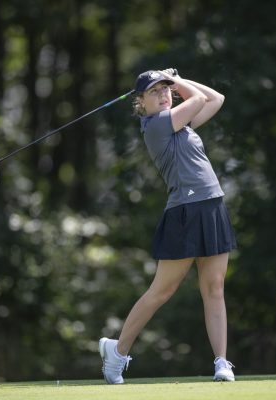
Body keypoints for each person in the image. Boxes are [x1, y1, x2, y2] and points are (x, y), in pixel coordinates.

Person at [99, 68, 237, 384]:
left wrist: (177, 77)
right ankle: (117, 353)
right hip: (184, 213)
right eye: (155, 91)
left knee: (214, 288)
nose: (164, 94)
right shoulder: (156, 125)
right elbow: (200, 98)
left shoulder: (181, 124)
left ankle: (222, 362)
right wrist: (175, 79)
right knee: (162, 291)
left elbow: (216, 99)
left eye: (166, 90)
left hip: (212, 206)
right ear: (141, 103)